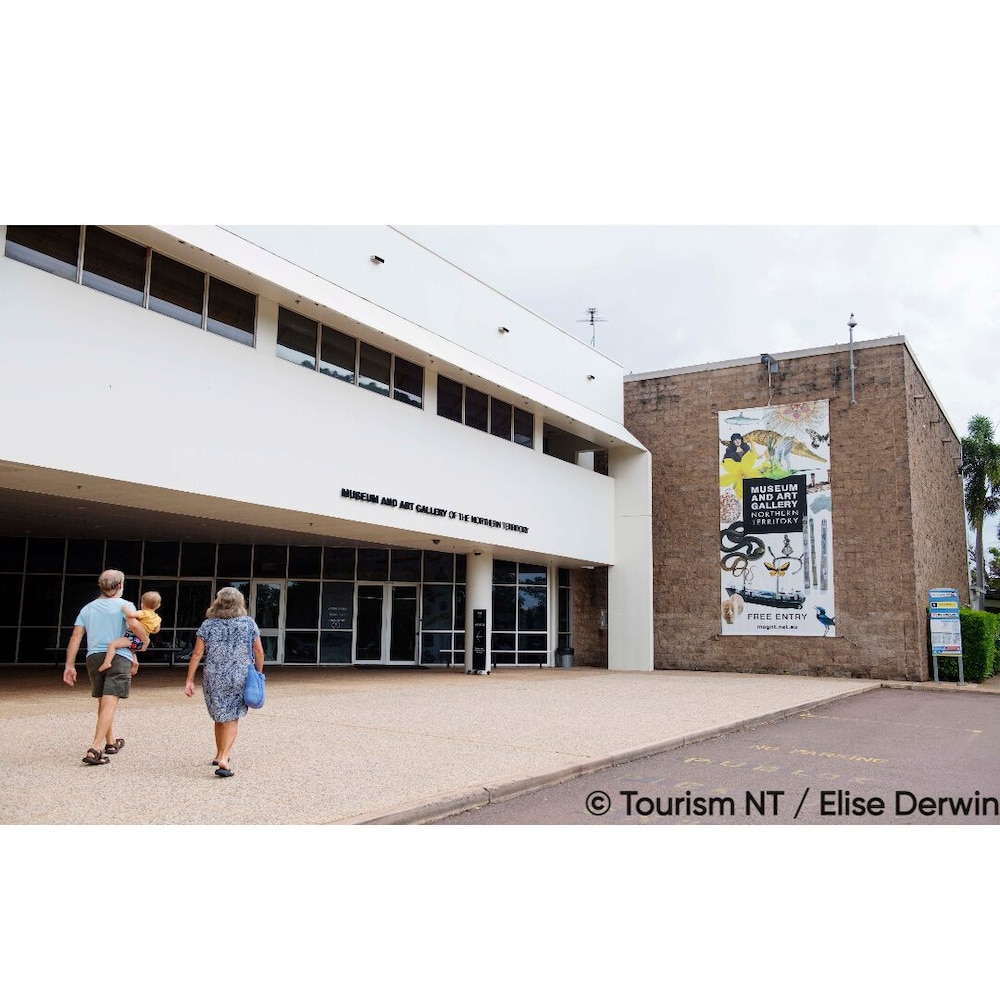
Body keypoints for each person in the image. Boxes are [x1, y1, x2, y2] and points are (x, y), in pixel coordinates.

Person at [63, 568, 150, 765]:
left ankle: (111, 742)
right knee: (110, 702)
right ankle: (95, 748)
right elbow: (133, 628)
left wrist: (69, 665)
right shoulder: (125, 605)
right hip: (118, 657)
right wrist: (145, 641)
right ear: (120, 585)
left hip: (94, 657)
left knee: (104, 701)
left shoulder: (87, 609)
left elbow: (76, 637)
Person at [184, 587, 264, 778]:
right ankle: (225, 758)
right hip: (239, 676)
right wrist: (259, 673)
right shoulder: (248, 624)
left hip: (214, 675)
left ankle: (219, 753)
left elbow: (197, 653)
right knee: (233, 717)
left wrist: (189, 679)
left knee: (219, 716)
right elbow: (259, 651)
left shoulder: (208, 625)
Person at [100, 591, 162, 671]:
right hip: (140, 642)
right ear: (158, 606)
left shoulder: (143, 613)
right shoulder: (158, 619)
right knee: (130, 650)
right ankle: (135, 662)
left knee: (112, 645)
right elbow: (156, 630)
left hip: (134, 637)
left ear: (142, 604)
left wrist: (124, 609)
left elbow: (130, 615)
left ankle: (107, 663)